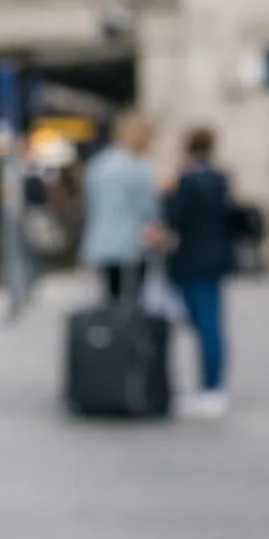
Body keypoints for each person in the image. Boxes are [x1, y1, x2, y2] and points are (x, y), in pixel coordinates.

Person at [164, 126, 237, 418]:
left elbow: (174, 218)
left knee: (204, 324)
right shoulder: (220, 180)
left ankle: (211, 387)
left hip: (192, 260)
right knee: (212, 324)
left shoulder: (187, 181)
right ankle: (213, 385)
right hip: (216, 259)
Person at [79, 113, 161, 302]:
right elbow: (148, 208)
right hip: (132, 242)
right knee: (134, 300)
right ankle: (131, 330)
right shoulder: (138, 166)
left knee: (111, 297)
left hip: (101, 241)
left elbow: (90, 203)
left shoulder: (98, 164)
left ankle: (113, 330)